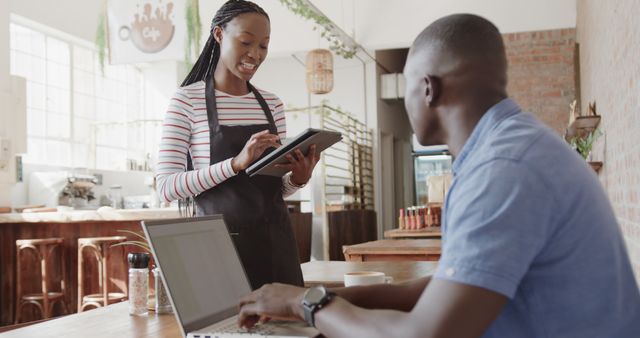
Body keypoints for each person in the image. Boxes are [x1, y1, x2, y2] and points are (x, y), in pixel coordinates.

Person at [236, 14, 640, 337]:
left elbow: (425, 333)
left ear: (427, 88)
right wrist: (315, 295)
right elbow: (433, 291)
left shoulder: (503, 168)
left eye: (407, 86)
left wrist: (303, 306)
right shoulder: (510, 145)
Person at [155, 0, 319, 289]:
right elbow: (167, 187)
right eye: (246, 42)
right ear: (219, 35)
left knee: (289, 330)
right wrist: (235, 164)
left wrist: (298, 179)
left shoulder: (272, 104)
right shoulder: (187, 101)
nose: (255, 55)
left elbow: (276, 188)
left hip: (275, 245)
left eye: (264, 46)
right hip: (219, 249)